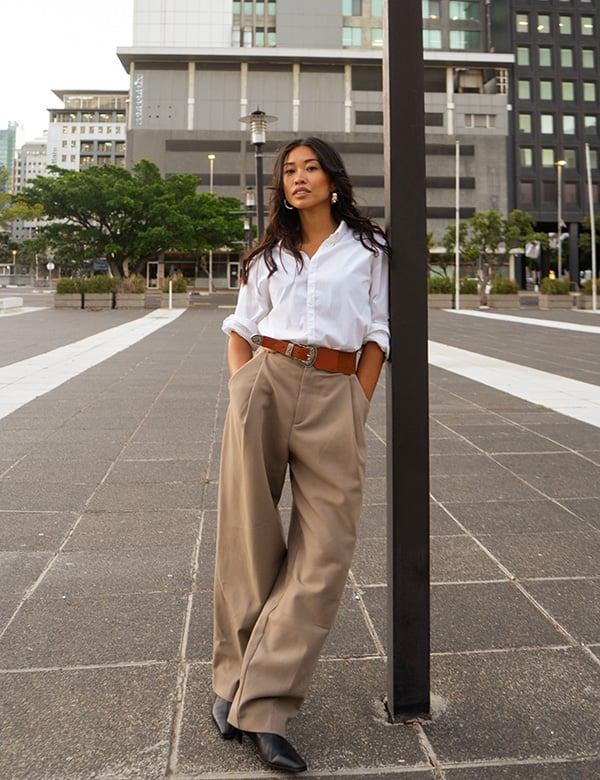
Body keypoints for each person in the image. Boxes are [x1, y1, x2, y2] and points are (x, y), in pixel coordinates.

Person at [211, 136, 390, 774]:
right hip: (268, 380)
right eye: (289, 170)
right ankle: (234, 680)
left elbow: (379, 330)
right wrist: (243, 386)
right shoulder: (269, 256)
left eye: (311, 167)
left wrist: (357, 401)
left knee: (325, 552)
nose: (299, 177)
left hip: (337, 392)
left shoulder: (370, 248)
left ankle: (261, 701)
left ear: (333, 181)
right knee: (249, 539)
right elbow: (240, 327)